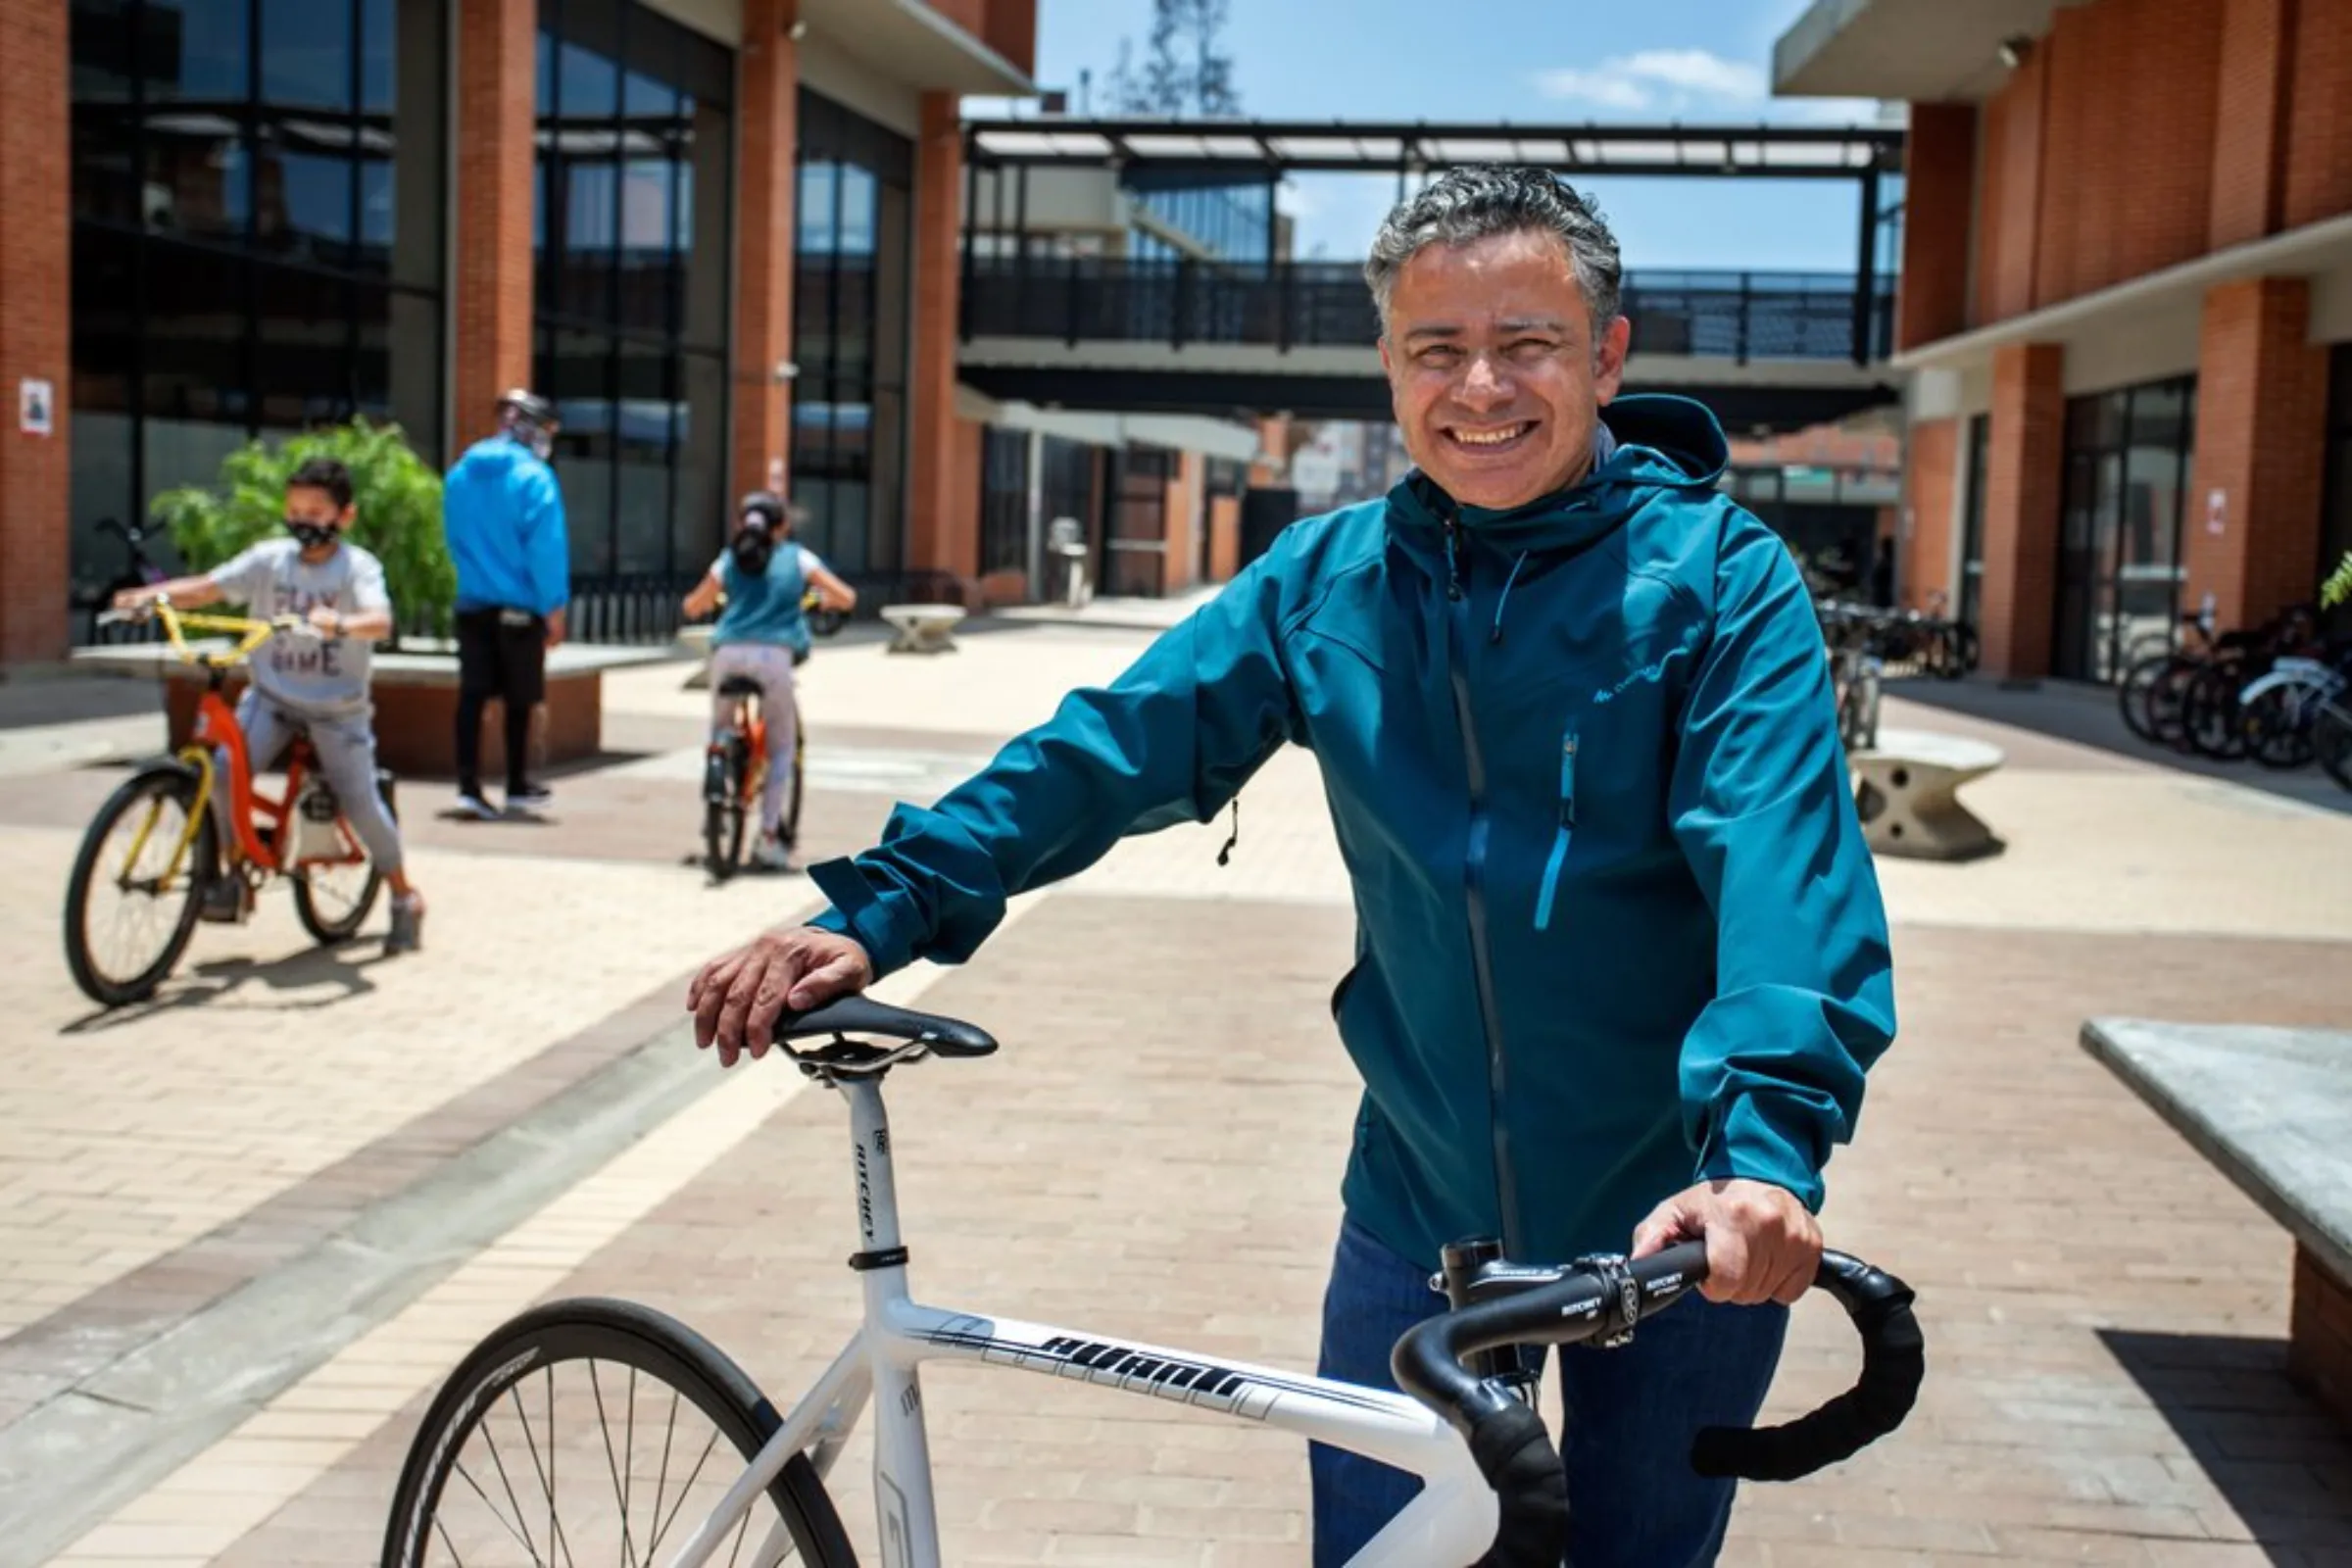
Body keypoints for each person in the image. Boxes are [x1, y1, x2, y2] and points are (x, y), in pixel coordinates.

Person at [685, 167, 1897, 1566]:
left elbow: (1782, 870)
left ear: (1608, 356)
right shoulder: (1326, 584)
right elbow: (1109, 747)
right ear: (1387, 369)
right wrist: (885, 905)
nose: (1481, 388)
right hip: (1418, 1208)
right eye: (1437, 349)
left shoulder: (1719, 585)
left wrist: (1762, 1156)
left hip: (1673, 1223)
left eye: (1530, 345)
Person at [115, 457, 426, 955]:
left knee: (360, 802)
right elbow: (207, 587)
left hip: (336, 708)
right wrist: (151, 598)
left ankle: (403, 896)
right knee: (219, 773)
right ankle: (231, 873)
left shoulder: (358, 568)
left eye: (316, 511)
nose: (302, 520)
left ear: (345, 517)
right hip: (273, 697)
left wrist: (343, 624)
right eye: (295, 509)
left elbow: (380, 620)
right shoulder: (270, 561)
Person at [680, 492, 858, 870]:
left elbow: (693, 604)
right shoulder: (797, 557)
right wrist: (821, 601)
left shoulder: (728, 558)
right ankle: (769, 837)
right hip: (774, 658)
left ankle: (717, 784)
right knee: (781, 750)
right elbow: (845, 596)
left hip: (726, 653)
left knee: (719, 729)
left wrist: (717, 601)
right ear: (782, 526)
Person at [441, 388, 569, 820]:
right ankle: (516, 784)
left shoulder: (461, 473)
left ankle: (468, 787)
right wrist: (553, 607)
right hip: (520, 606)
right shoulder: (534, 478)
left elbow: (453, 537)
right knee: (520, 698)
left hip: (472, 601)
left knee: (472, 696)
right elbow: (546, 548)